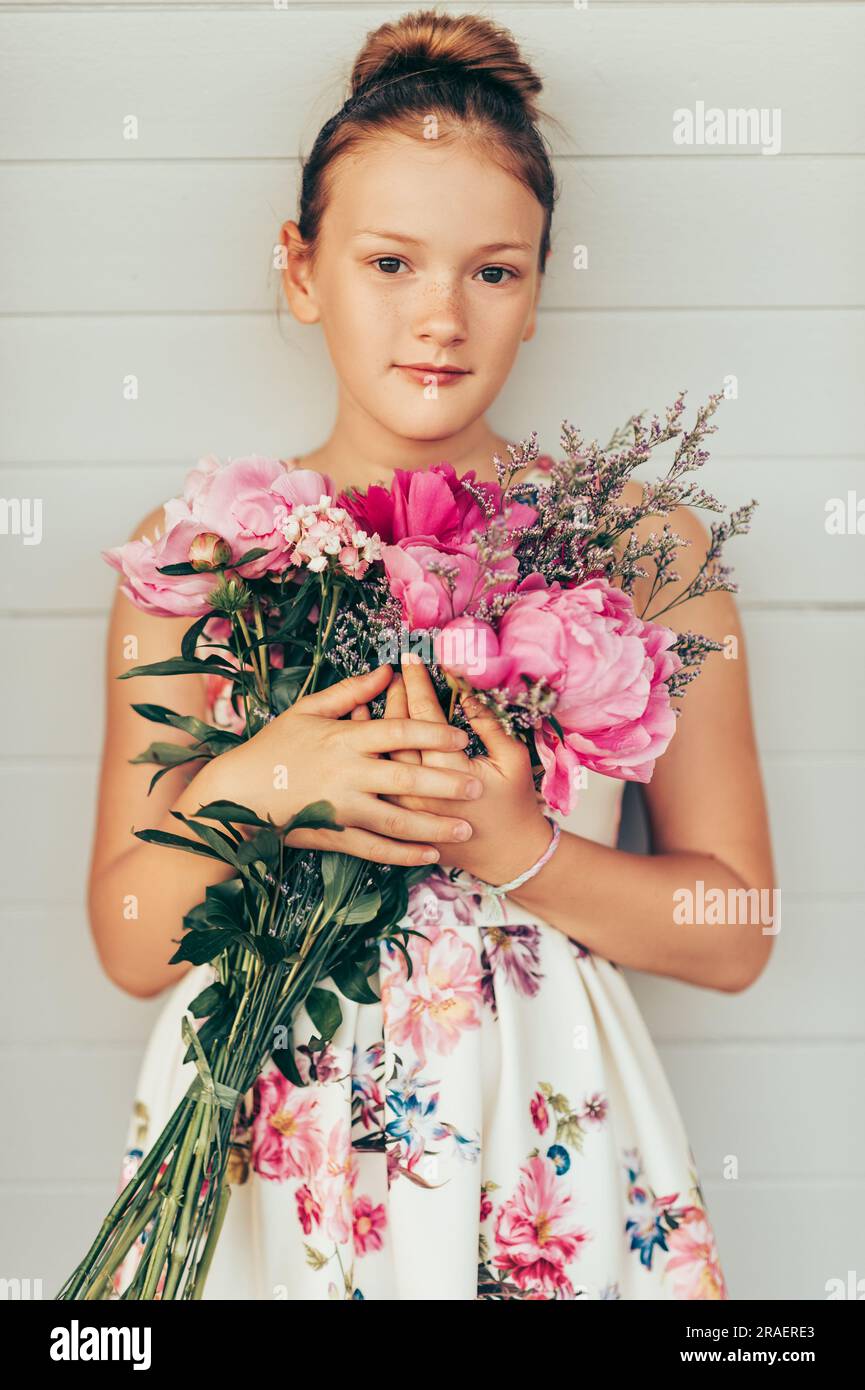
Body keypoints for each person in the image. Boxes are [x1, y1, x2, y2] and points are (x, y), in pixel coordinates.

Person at [89, 8, 775, 1300]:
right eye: (390, 263)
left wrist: (520, 847)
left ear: (537, 285)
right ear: (300, 271)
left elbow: (734, 924)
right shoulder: (195, 552)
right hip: (267, 1144)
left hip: (539, 1141)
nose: (439, 318)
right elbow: (131, 936)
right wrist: (278, 779)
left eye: (491, 272)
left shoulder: (646, 552)